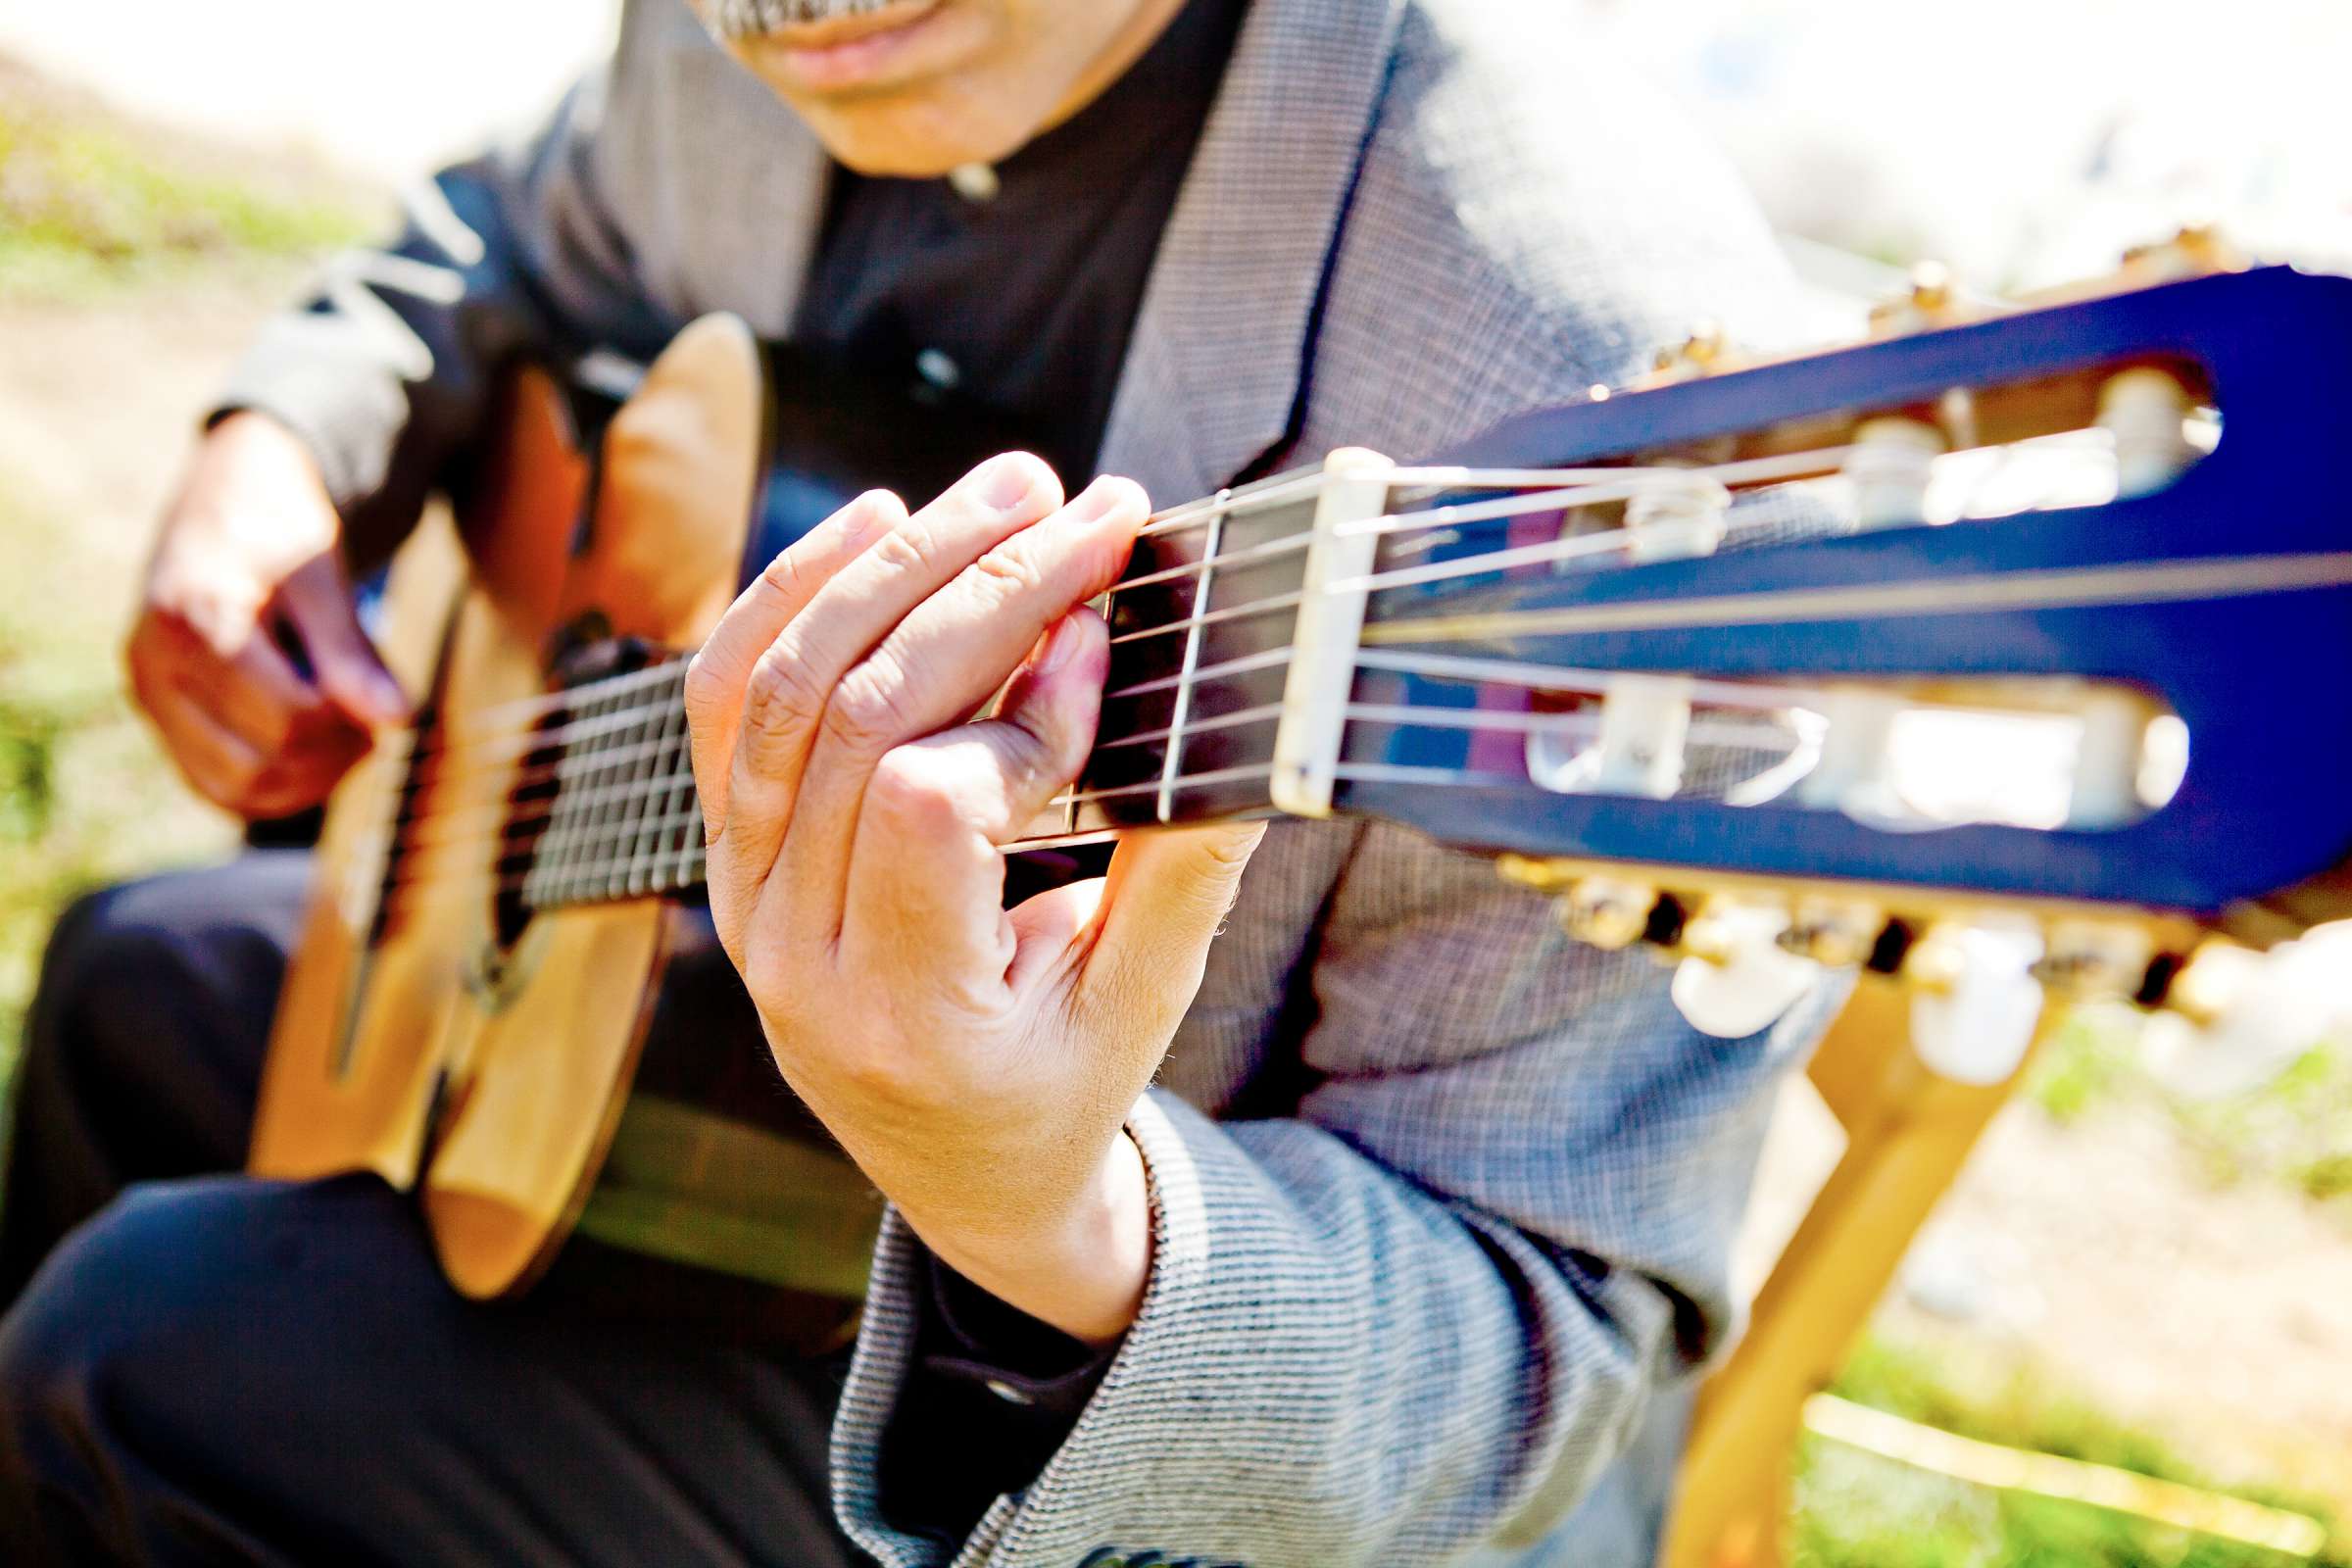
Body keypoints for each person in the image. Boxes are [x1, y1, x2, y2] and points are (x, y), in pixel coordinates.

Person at [0, 0, 1842, 1563]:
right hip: (690, 1098)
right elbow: (512, 229)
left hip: (1113, 1432)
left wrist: (1047, 1202)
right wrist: (286, 438)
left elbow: (1544, 1333)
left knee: (146, 1358)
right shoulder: (756, 34)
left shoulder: (1598, 393)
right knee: (123, 993)